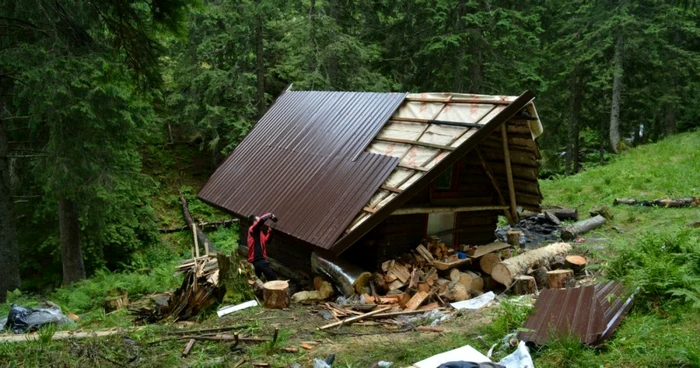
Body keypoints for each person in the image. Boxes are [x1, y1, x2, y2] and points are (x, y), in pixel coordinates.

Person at [247, 213, 278, 281]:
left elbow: (266, 241)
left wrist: (270, 232)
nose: (260, 221)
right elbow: (261, 221)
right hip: (257, 260)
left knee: (256, 281)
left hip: (258, 260)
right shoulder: (252, 229)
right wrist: (270, 215)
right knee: (273, 278)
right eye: (258, 220)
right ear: (254, 222)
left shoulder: (259, 232)